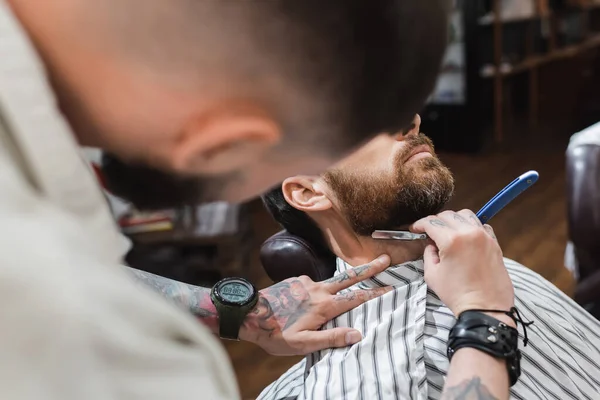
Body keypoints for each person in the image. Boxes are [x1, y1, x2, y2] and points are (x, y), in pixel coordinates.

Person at [0, 0, 454, 399]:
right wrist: (486, 324)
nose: (412, 129)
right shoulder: (55, 313)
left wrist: (240, 313)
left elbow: (94, 271)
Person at [259, 119, 600, 400]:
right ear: (309, 191)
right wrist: (485, 311)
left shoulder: (476, 261)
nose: (411, 120)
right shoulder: (368, 375)